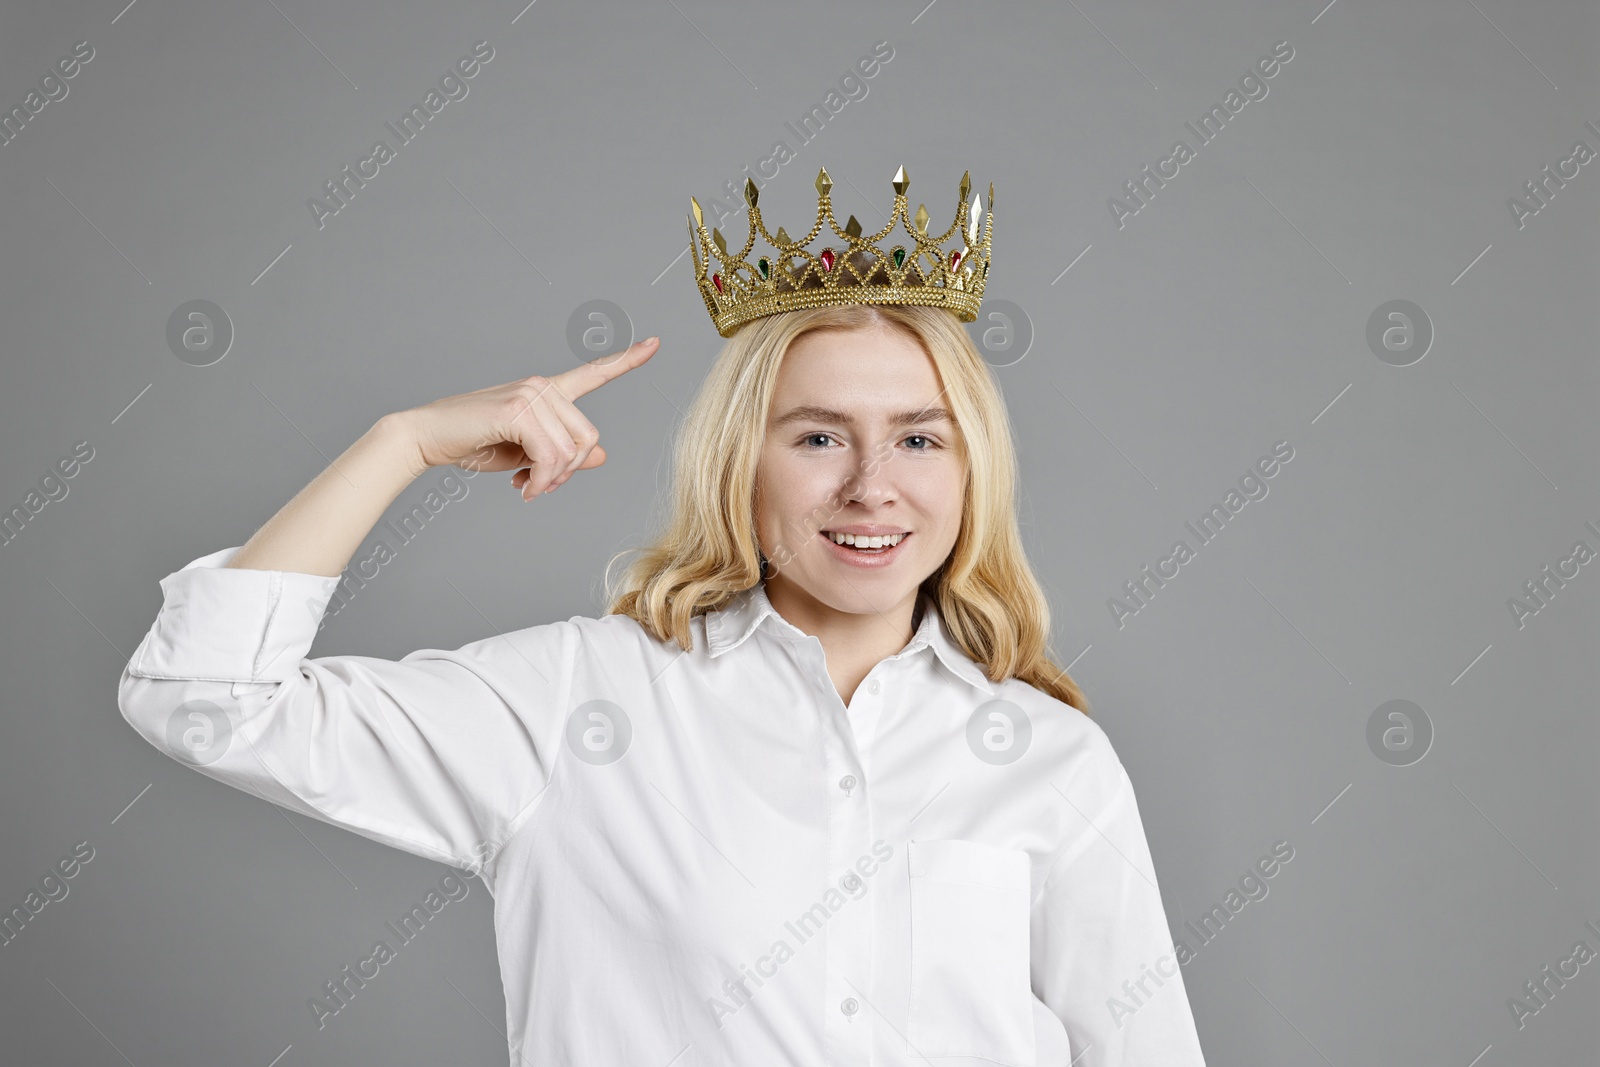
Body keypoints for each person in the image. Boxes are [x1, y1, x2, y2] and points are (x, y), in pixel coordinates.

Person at [118, 165, 1206, 1065]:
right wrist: (401, 441)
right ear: (742, 463)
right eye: (819, 435)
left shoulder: (1053, 759)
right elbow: (203, 698)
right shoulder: (575, 703)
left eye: (920, 438)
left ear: (974, 470)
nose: (873, 485)